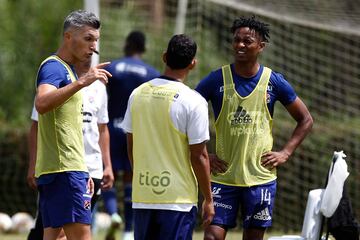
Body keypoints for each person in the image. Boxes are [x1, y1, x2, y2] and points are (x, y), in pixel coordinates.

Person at [195, 16, 313, 240]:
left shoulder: (273, 82)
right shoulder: (216, 79)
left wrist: (285, 152)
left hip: (260, 179)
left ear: (261, 47)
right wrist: (204, 154)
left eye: (247, 41)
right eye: (236, 40)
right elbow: (185, 112)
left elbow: (305, 119)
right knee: (211, 236)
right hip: (223, 177)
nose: (240, 45)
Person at [121, 34, 215, 240]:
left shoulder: (137, 94)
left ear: (164, 57)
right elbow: (199, 156)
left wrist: (141, 176)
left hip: (143, 195)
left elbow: (131, 144)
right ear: (193, 64)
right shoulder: (194, 101)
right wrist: (208, 199)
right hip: (177, 199)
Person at [33, 9, 111, 240]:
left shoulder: (68, 71)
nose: (94, 46)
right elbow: (42, 103)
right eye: (88, 38)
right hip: (64, 171)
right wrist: (82, 83)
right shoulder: (54, 67)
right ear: (68, 37)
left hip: (65, 170)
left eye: (96, 40)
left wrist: (83, 169)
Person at [102, 30, 160, 240]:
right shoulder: (151, 73)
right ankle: (128, 231)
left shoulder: (113, 67)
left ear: (127, 45)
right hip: (135, 132)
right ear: (143, 48)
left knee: (107, 175)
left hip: (111, 128)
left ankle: (114, 214)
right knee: (130, 179)